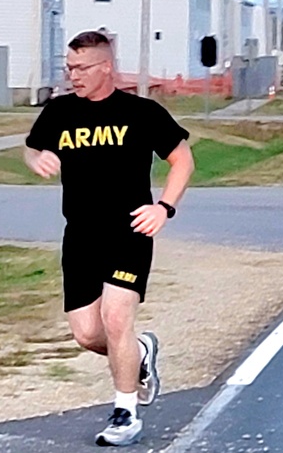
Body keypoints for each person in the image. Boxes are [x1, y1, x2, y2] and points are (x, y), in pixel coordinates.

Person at [24, 30, 195, 446]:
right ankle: (141, 353)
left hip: (129, 232)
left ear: (106, 68)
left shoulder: (142, 112)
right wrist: (36, 157)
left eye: (81, 68)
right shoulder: (60, 112)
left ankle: (126, 413)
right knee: (86, 333)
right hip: (80, 236)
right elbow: (30, 148)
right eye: (69, 68)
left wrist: (163, 208)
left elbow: (182, 159)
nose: (73, 76)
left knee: (116, 317)